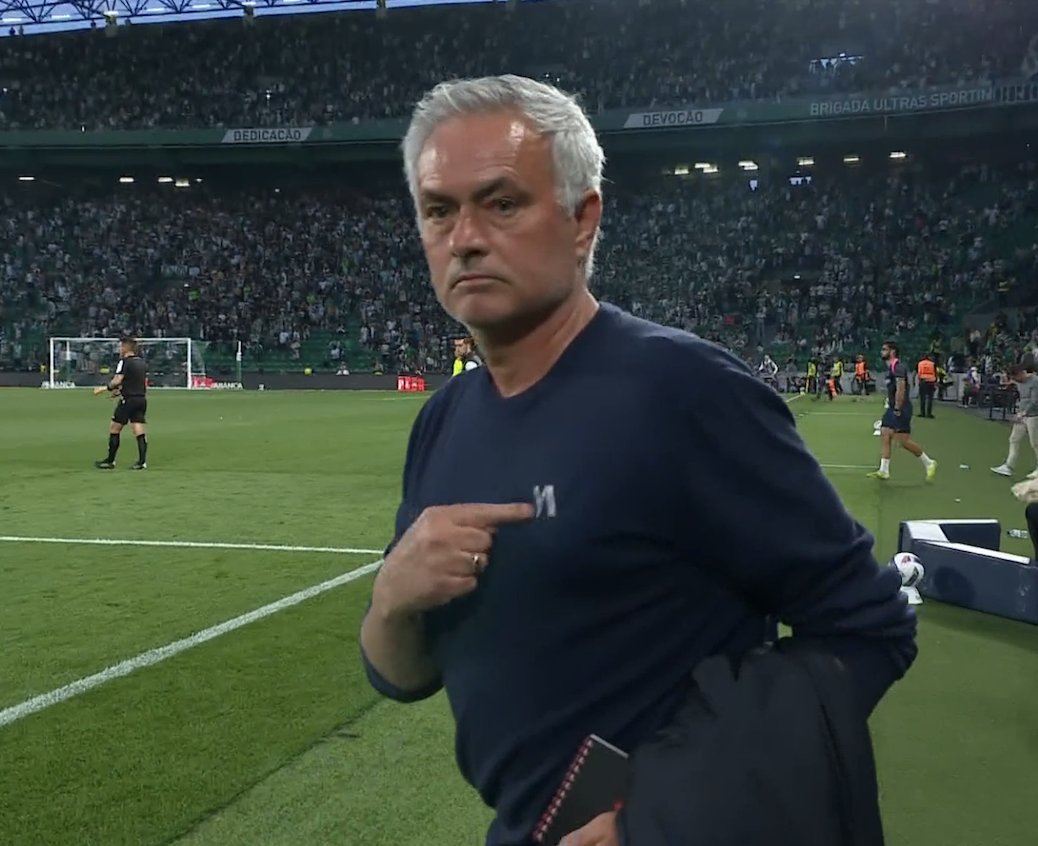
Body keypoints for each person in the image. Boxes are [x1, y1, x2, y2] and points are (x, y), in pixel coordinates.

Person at [359, 74, 917, 846]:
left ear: (583, 219)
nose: (465, 238)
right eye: (438, 210)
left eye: (503, 202)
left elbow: (871, 630)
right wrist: (391, 599)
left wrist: (661, 818)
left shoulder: (685, 394)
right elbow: (401, 675)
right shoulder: (442, 420)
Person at [867, 340, 937, 482]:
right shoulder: (892, 368)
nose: (882, 352)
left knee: (903, 440)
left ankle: (929, 463)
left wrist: (898, 407)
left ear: (892, 351)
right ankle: (884, 470)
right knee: (885, 432)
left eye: (884, 349)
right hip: (894, 406)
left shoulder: (898, 367)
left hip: (901, 407)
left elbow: (901, 387)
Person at [93, 336, 149, 470]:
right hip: (141, 399)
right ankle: (142, 462)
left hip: (128, 400)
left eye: (121, 346)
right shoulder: (141, 362)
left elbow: (118, 379)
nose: (119, 349)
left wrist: (105, 388)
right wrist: (120, 391)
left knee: (114, 428)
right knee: (138, 429)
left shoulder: (124, 362)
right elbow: (136, 382)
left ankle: (110, 460)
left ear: (125, 347)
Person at [990, 361, 1038, 479]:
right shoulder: (1019, 381)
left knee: (1035, 443)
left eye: (1015, 377)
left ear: (1021, 373)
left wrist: (1024, 413)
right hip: (1022, 415)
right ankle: (1009, 466)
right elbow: (1010, 385)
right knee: (1014, 439)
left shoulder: (1035, 381)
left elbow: (1034, 401)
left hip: (1034, 415)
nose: (1015, 380)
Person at [916, 353, 937, 418]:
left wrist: (919, 380)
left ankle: (922, 413)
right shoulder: (932, 364)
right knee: (930, 398)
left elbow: (919, 373)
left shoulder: (920, 363)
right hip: (931, 381)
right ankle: (929, 413)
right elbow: (935, 373)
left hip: (923, 381)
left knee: (922, 398)